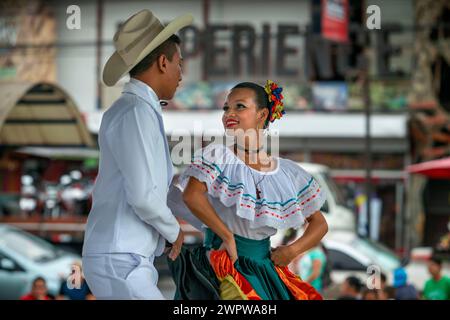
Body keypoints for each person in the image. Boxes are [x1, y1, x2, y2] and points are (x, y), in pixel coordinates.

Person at [168, 81, 328, 300]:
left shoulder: (287, 173)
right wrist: (227, 236)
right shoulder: (218, 157)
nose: (228, 114)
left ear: (262, 114)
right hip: (221, 263)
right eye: (226, 108)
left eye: (239, 106)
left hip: (263, 267)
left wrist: (290, 251)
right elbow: (191, 196)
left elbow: (319, 224)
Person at [82, 9, 193, 299]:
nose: (181, 75)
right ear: (162, 62)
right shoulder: (136, 112)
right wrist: (174, 231)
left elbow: (157, 193)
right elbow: (144, 196)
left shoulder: (137, 110)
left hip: (123, 256)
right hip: (120, 257)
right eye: (179, 64)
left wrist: (209, 226)